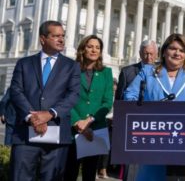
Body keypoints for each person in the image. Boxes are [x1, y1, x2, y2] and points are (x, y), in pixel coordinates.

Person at [124, 33, 185, 181]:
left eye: (182, 50)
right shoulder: (148, 72)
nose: (177, 53)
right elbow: (130, 95)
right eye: (173, 48)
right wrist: (141, 114)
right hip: (155, 140)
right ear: (164, 51)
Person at [9, 20, 80, 181]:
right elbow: (15, 91)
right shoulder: (24, 63)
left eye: (63, 36)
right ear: (43, 39)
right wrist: (32, 118)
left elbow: (73, 95)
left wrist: (49, 114)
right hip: (25, 136)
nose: (61, 39)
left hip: (56, 136)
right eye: (56, 36)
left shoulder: (72, 66)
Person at [64, 35, 113, 181]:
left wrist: (88, 121)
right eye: (90, 46)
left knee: (89, 174)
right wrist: (78, 122)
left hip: (95, 130)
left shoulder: (106, 72)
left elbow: (107, 102)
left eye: (97, 48)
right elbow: (65, 98)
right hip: (73, 129)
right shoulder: (70, 70)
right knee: (69, 172)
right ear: (82, 49)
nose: (94, 50)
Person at [115, 39, 158, 181]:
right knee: (130, 167)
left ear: (156, 55)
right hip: (131, 125)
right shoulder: (127, 71)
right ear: (140, 53)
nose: (149, 57)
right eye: (145, 54)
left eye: (152, 54)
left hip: (153, 125)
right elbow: (120, 98)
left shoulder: (161, 72)